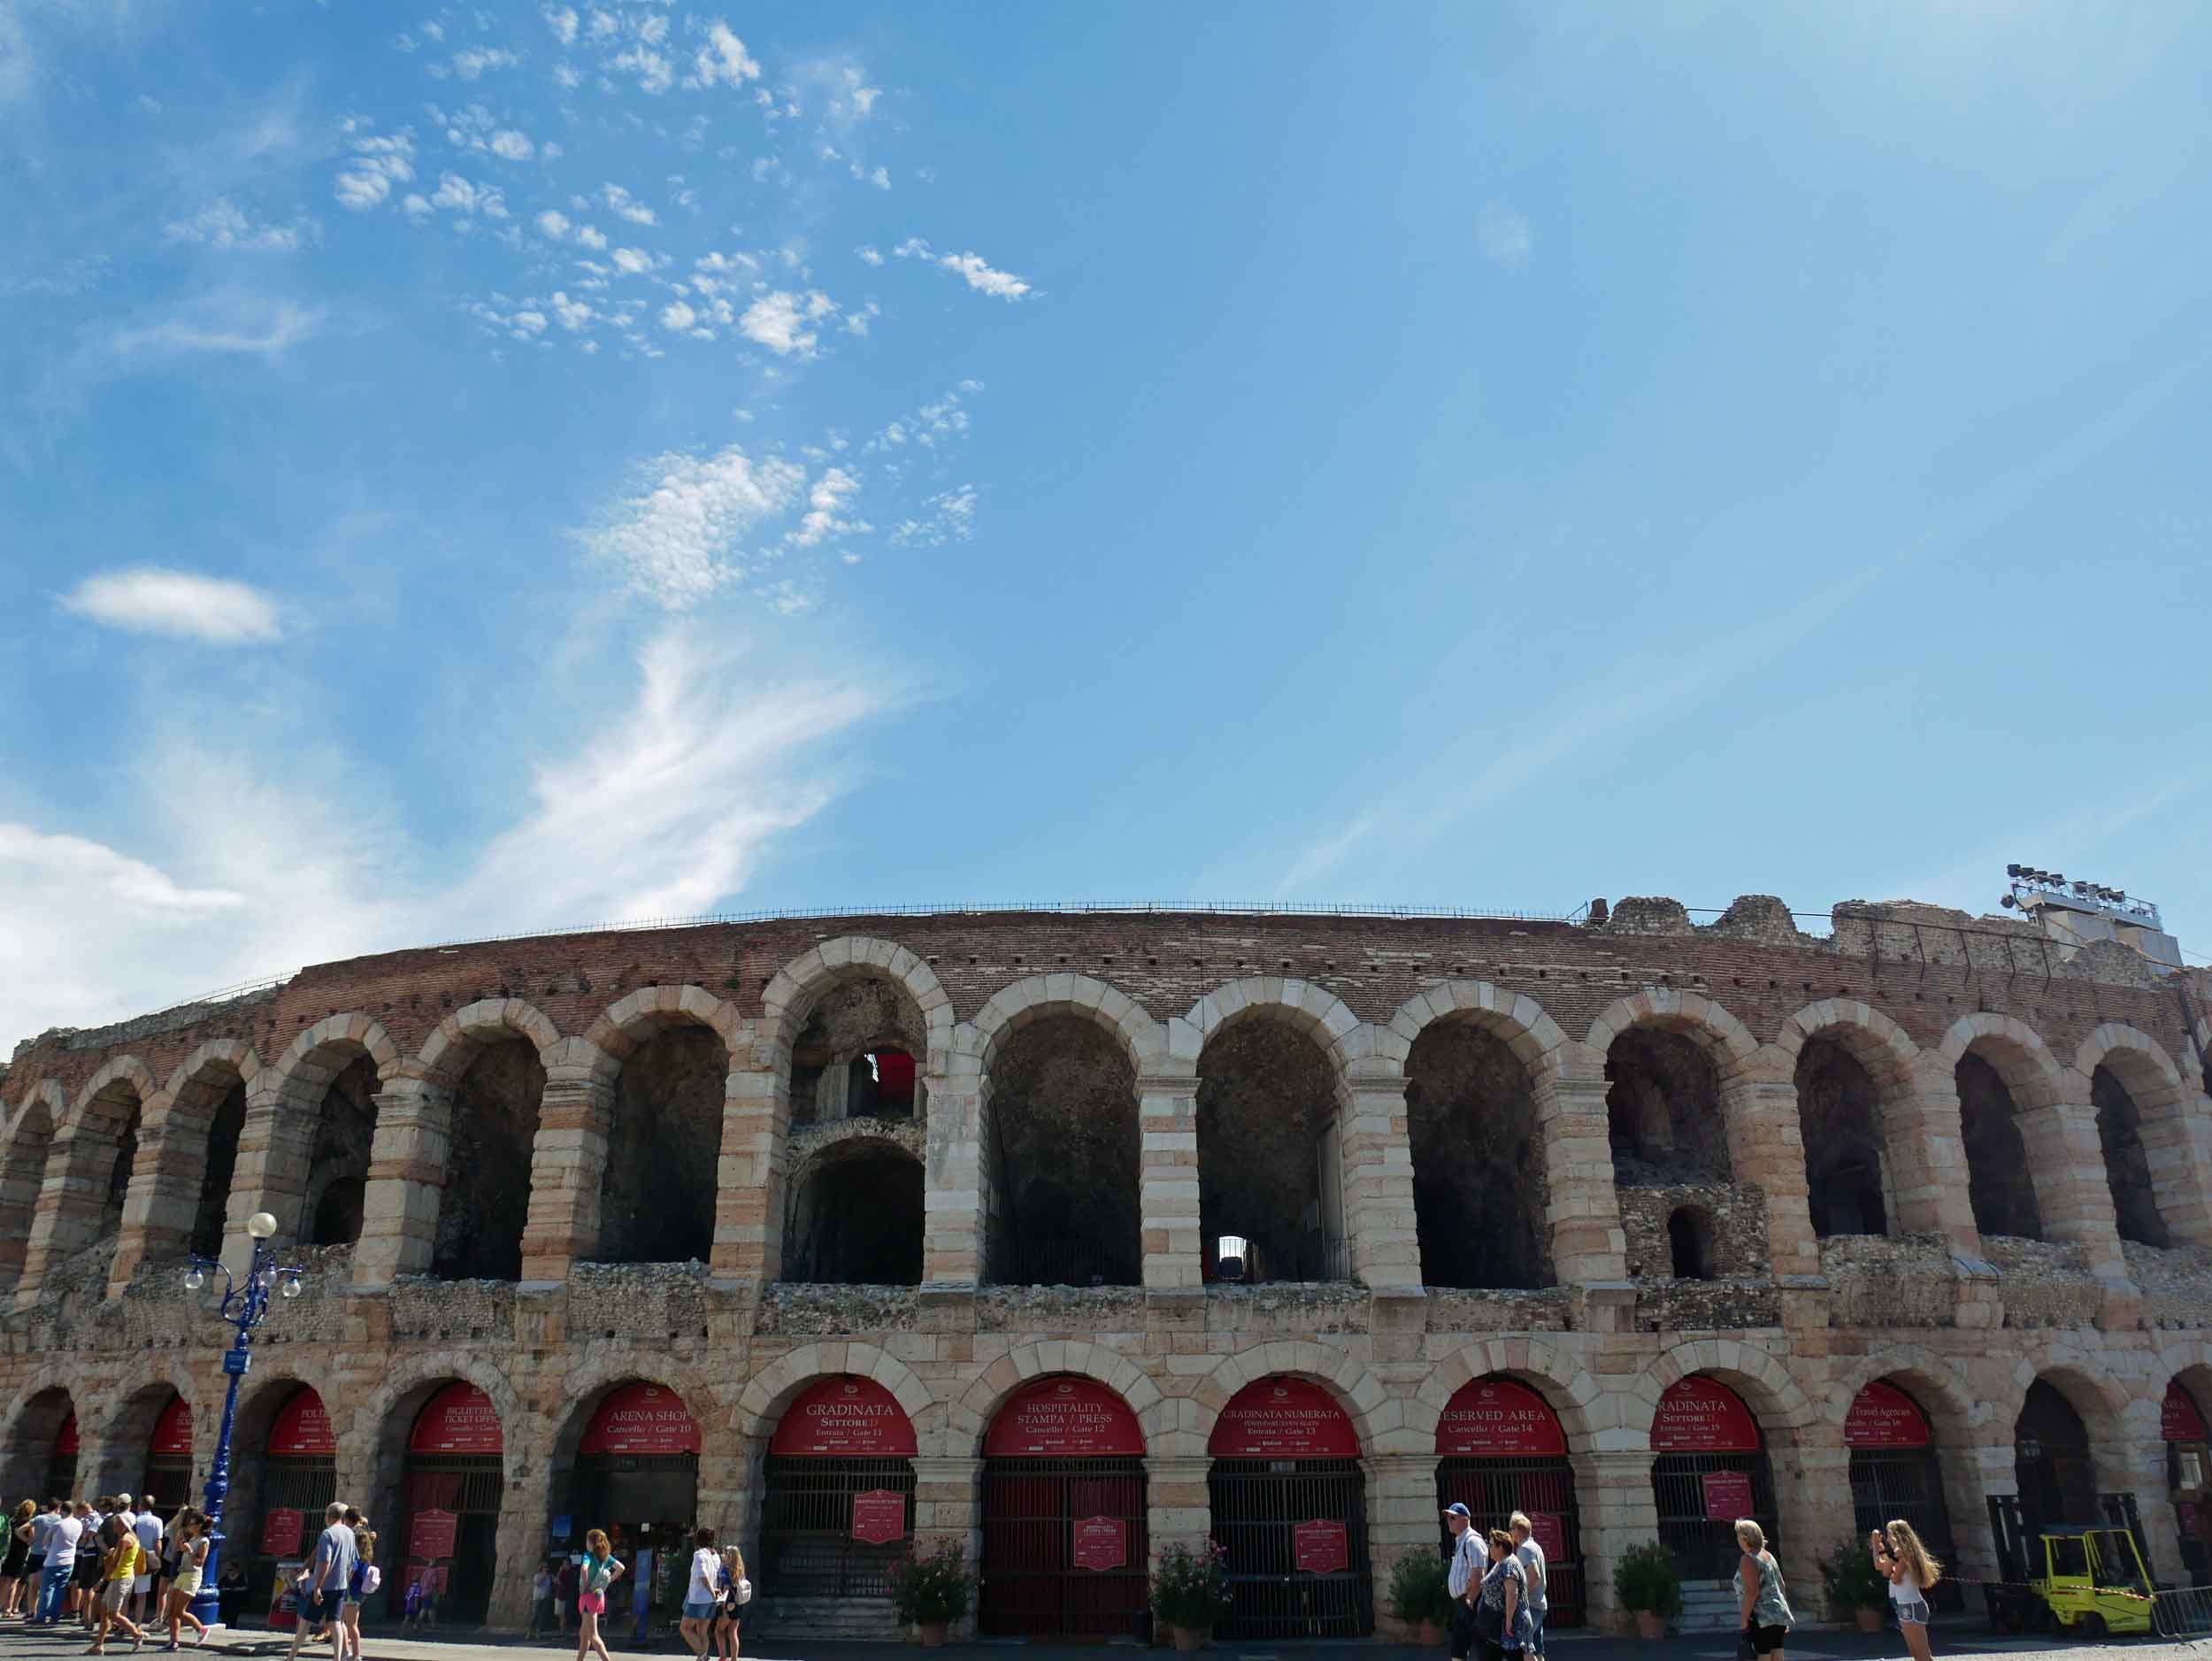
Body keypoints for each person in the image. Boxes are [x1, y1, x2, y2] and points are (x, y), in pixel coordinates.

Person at [288, 1503, 357, 1661]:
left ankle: (291, 1657)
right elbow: (352, 1562)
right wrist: (346, 1580)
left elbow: (324, 1561)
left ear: (329, 1516)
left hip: (326, 1585)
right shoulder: (349, 1533)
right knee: (336, 1622)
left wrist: (317, 1586)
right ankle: (337, 1658)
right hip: (341, 1585)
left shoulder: (328, 1534)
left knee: (305, 1623)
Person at [1871, 1519, 1941, 1661]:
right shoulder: (1899, 1554)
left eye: (1890, 1534)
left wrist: (1887, 1556)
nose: (1888, 1538)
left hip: (1912, 1606)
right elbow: (1880, 1565)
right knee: (1916, 1653)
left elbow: (1891, 1576)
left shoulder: (1904, 1554)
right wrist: (1876, 1546)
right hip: (1906, 1606)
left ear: (1897, 1536)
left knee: (1922, 1655)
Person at [88, 1512, 149, 1654]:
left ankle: (136, 1633)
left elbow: (116, 1563)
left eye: (117, 1523)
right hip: (121, 1578)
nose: (115, 1527)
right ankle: (98, 1645)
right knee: (104, 1611)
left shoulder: (124, 1540)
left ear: (124, 1524)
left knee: (113, 1614)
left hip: (121, 1578)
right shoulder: (132, 1537)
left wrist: (102, 1580)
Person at [1733, 1519, 1793, 1661]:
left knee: (1763, 1654)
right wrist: (1784, 1614)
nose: (1737, 1540)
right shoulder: (1769, 1556)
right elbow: (1782, 1585)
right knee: (1777, 1654)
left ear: (1744, 1538)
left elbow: (1752, 1592)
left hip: (1760, 1616)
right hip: (1778, 1613)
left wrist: (1743, 1620)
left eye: (1738, 1536)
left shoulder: (1748, 1559)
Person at [1474, 1529, 1528, 1661]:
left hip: (1505, 1625)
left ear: (1501, 1547)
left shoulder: (1509, 1565)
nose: (1489, 1548)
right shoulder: (1501, 1563)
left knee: (1514, 1655)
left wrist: (1509, 1621)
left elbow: (1512, 1593)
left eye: (1491, 1545)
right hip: (1494, 1625)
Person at [160, 1512, 210, 1652]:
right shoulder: (193, 1538)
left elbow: (200, 1562)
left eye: (192, 1524)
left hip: (192, 1576)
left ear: (199, 1526)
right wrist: (182, 1547)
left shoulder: (203, 1541)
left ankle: (201, 1629)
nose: (189, 1526)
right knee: (171, 1611)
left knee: (179, 1611)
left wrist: (189, 1551)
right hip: (182, 1573)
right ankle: (174, 1642)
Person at [574, 1531, 626, 1661]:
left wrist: (586, 1585)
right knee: (584, 1634)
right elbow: (621, 1568)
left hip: (588, 1597)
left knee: (593, 1636)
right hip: (598, 1596)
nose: (586, 1543)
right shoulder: (606, 1557)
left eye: (587, 1541)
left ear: (592, 1543)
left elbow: (584, 1569)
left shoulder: (588, 1555)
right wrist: (609, 1580)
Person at [35, 1498, 84, 1626]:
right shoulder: (79, 1524)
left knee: (47, 1588)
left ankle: (41, 1616)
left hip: (53, 1559)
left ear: (62, 1511)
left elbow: (45, 1541)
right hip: (69, 1560)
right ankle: (55, 1616)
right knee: (60, 1589)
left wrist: (48, 1548)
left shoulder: (58, 1524)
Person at [1443, 1503, 1483, 1661]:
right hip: (1462, 1603)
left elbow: (1478, 1573)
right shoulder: (1461, 1540)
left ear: (1465, 1520)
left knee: (1480, 1650)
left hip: (1471, 1602)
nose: (1449, 1520)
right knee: (1458, 1651)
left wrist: (1470, 1600)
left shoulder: (1472, 1541)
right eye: (1448, 1517)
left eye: (1453, 1517)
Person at [1508, 1512, 1548, 1661]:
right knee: (1538, 1651)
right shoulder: (1536, 1547)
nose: (1510, 1532)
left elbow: (1534, 1575)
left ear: (1518, 1530)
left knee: (1526, 1650)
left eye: (1511, 1529)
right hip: (1539, 1603)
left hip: (1529, 1606)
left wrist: (1520, 1596)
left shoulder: (1524, 1549)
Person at [337, 1512, 374, 1661]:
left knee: (349, 1624)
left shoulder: (355, 1557)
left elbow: (349, 1574)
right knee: (345, 1623)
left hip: (350, 1591)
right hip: (358, 1592)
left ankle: (354, 1654)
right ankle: (347, 1653)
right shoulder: (366, 1556)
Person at [680, 1527, 720, 1660]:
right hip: (710, 1600)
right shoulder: (715, 1556)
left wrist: (711, 1591)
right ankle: (702, 1656)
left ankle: (703, 1656)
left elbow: (703, 1576)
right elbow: (716, 1574)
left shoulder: (699, 1555)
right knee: (702, 1631)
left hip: (699, 1598)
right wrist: (714, 1591)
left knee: (685, 1628)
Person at [130, 1503, 163, 1626]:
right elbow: (158, 1542)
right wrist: (158, 1559)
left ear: (140, 1506)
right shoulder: (157, 1521)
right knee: (142, 1595)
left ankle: (120, 1623)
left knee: (126, 1592)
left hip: (132, 1555)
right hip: (147, 1557)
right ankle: (138, 1623)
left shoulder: (135, 1520)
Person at [2, 1498, 35, 1617]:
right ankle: (7, 1609)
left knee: (4, 1580)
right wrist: (28, 1541)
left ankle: (4, 1606)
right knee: (13, 1582)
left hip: (9, 1551)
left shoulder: (12, 1520)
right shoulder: (29, 1522)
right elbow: (32, 1538)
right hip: (20, 1553)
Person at [712, 1543, 745, 1661]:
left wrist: (722, 1606)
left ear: (729, 1556)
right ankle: (734, 1659)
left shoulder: (727, 1570)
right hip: (739, 1603)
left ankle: (723, 1658)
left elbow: (726, 1588)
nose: (723, 1555)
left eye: (725, 1553)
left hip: (728, 1603)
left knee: (719, 1631)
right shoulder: (740, 1568)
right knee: (732, 1632)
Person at [528, 1563, 554, 1638]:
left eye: (547, 1567)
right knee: (534, 1615)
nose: (546, 1569)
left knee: (541, 1616)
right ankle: (529, 1631)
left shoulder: (550, 1576)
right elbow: (538, 1583)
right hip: (537, 1598)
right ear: (541, 1568)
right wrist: (544, 1576)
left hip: (545, 1597)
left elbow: (555, 1582)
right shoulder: (537, 1575)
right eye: (544, 1567)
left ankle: (538, 1632)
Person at [554, 1557, 578, 1636]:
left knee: (566, 1614)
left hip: (568, 1596)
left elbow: (570, 1585)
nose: (565, 1566)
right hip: (559, 1595)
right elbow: (555, 1580)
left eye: (567, 1564)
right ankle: (562, 1630)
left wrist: (560, 1583)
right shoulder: (561, 1572)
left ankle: (563, 1631)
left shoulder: (572, 1573)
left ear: (570, 1565)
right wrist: (560, 1572)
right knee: (560, 1614)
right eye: (564, 1564)